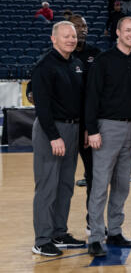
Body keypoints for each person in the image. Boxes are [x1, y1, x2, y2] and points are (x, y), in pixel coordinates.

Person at [85, 17, 131, 257]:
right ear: (117, 32)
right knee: (100, 185)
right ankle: (96, 237)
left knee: (122, 185)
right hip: (107, 128)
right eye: (128, 30)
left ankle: (115, 231)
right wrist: (93, 130)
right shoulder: (103, 60)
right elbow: (91, 97)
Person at [31, 21, 86, 256]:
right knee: (47, 186)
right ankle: (42, 239)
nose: (71, 40)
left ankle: (59, 232)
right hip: (51, 131)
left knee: (65, 185)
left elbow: (80, 102)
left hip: (73, 130)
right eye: (66, 36)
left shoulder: (76, 64)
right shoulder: (44, 66)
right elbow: (42, 106)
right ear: (54, 39)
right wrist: (54, 137)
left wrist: (82, 129)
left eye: (73, 36)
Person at [66, 15, 100, 215]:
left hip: (89, 125)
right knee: (62, 176)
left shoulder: (96, 54)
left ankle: (92, 221)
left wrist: (91, 125)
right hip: (66, 125)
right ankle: (58, 228)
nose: (83, 29)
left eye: (85, 26)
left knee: (94, 176)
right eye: (78, 26)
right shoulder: (59, 55)